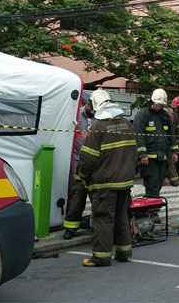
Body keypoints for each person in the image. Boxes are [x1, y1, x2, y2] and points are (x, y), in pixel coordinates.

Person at [78, 89, 137, 267]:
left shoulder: (98, 126)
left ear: (96, 104)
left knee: (103, 218)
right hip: (124, 182)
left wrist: (82, 174)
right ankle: (124, 252)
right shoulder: (126, 124)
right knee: (121, 217)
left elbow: (88, 157)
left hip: (105, 183)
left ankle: (101, 257)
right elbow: (133, 152)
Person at [63, 95, 95, 239]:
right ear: (87, 104)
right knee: (77, 197)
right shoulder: (76, 116)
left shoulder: (100, 118)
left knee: (97, 198)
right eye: (91, 107)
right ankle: (71, 228)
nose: (93, 111)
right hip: (78, 163)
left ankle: (97, 225)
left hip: (94, 164)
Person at [134, 88, 176, 197]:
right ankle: (150, 209)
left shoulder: (165, 116)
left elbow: (171, 134)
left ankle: (152, 206)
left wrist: (175, 151)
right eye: (158, 104)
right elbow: (138, 135)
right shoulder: (143, 115)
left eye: (162, 105)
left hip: (162, 157)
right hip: (149, 159)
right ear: (152, 102)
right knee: (152, 183)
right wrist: (142, 155)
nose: (160, 107)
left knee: (159, 182)